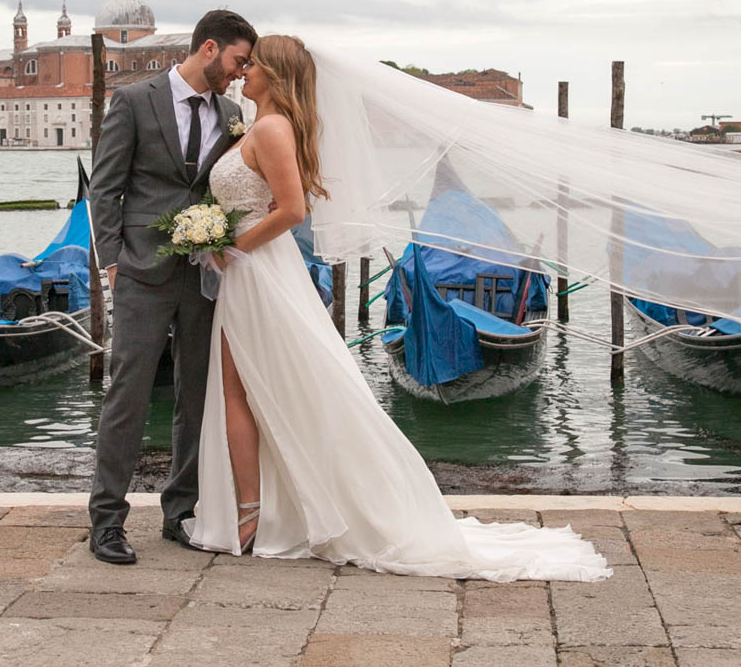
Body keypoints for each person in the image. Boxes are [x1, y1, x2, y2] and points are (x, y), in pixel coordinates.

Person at [185, 35, 611, 581]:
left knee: (240, 391)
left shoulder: (270, 128)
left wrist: (231, 246)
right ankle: (263, 506)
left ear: (276, 74)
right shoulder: (268, 126)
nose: (243, 72)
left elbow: (292, 210)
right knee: (266, 387)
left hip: (257, 270)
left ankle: (249, 513)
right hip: (257, 272)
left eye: (253, 65)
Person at [88, 9, 257, 564]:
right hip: (140, 270)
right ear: (209, 49)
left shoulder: (233, 113)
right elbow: (105, 188)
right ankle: (107, 520)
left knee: (196, 396)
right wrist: (112, 261)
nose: (239, 74)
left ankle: (179, 511)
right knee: (127, 394)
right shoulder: (135, 101)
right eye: (236, 61)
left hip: (203, 273)